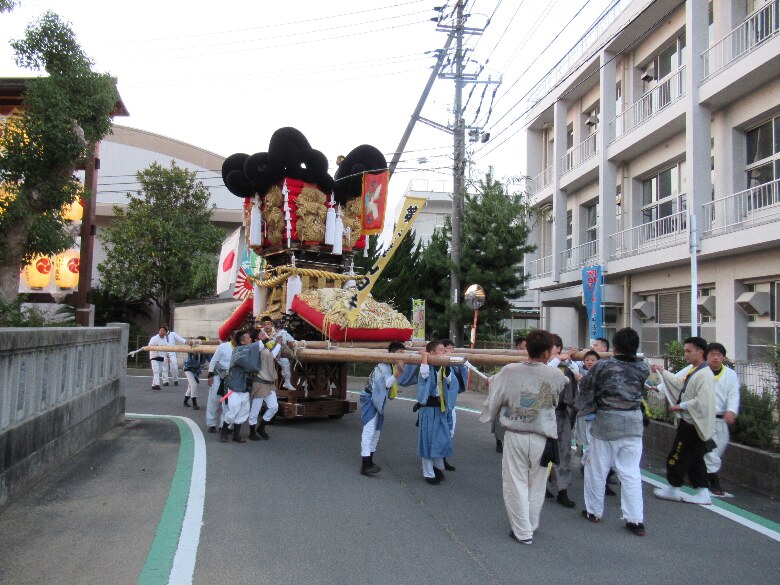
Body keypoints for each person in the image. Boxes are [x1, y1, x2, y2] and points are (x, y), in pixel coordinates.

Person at [481, 329, 565, 545]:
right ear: (547, 352)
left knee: (515, 483)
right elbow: (558, 391)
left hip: (516, 433)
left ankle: (522, 531)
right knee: (537, 484)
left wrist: (489, 409)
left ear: (526, 348)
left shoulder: (510, 370)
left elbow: (497, 392)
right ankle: (530, 525)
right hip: (542, 436)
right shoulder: (556, 375)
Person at [575, 328, 649, 536]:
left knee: (597, 468)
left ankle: (594, 511)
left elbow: (586, 387)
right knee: (631, 473)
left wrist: (581, 407)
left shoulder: (603, 365)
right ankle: (635, 520)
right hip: (633, 423)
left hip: (606, 421)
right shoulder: (643, 368)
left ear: (614, 347)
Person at [651, 337, 716, 505]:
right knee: (695, 459)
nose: (685, 354)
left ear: (700, 352)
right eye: (685, 351)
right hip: (691, 423)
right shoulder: (696, 370)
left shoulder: (704, 374)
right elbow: (679, 384)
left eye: (689, 351)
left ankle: (674, 487)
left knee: (677, 456)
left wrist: (681, 406)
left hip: (692, 425)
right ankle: (703, 492)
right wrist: (663, 372)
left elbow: (703, 400)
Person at [221, 330, 278, 443]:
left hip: (245, 387)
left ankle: (236, 436)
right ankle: (224, 431)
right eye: (248, 338)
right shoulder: (239, 350)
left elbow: (257, 347)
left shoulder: (247, 349)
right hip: (235, 386)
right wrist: (269, 338)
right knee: (234, 409)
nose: (250, 339)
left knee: (244, 411)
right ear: (242, 342)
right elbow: (252, 357)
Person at [359, 341, 406, 476]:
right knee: (369, 430)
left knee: (377, 431)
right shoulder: (383, 365)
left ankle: (370, 461)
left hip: (378, 400)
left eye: (403, 353)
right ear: (391, 353)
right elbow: (387, 383)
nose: (402, 356)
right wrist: (398, 372)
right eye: (400, 353)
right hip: (369, 398)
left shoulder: (390, 365)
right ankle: (365, 464)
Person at [547, 334, 579, 509]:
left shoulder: (568, 365)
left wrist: (568, 361)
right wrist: (559, 359)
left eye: (551, 346)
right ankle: (541, 484)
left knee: (563, 452)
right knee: (540, 451)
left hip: (560, 413)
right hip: (543, 413)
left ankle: (562, 490)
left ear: (559, 348)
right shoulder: (542, 364)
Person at [703, 343, 740, 495]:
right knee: (710, 450)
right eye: (712, 354)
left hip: (721, 419)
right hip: (704, 418)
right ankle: (714, 482)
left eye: (719, 355)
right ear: (706, 356)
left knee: (719, 447)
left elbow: (734, 394)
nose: (716, 358)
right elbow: (679, 379)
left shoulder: (730, 375)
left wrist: (731, 410)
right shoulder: (701, 371)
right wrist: (659, 386)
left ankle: (701, 474)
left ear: (723, 357)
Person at [416, 340, 453, 485]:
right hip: (428, 408)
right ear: (432, 353)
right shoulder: (426, 367)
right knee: (427, 440)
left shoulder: (443, 368)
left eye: (445, 350)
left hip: (440, 408)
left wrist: (447, 363)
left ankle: (438, 468)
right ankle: (428, 472)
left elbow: (449, 381)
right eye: (441, 350)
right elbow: (424, 374)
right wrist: (424, 356)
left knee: (441, 438)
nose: (444, 352)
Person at [246, 328, 282, 441]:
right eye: (261, 335)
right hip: (259, 381)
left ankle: (261, 427)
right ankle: (252, 432)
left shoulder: (264, 348)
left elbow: (271, 356)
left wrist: (278, 344)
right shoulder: (255, 347)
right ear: (256, 339)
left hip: (268, 382)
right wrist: (273, 340)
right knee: (255, 409)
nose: (264, 335)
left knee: (274, 406)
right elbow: (269, 352)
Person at [493, 336, 527, 454]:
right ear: (518, 347)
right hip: (507, 392)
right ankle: (499, 440)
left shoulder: (529, 360)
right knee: (502, 415)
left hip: (522, 393)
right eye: (525, 346)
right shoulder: (510, 359)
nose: (527, 349)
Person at [441, 339, 468, 471]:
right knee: (440, 431)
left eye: (452, 348)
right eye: (448, 348)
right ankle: (437, 459)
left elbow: (461, 380)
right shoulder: (438, 363)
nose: (451, 351)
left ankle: (443, 457)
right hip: (439, 403)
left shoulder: (455, 364)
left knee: (450, 431)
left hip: (450, 403)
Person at [258, 316, 296, 391]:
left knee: (286, 361)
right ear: (262, 326)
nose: (267, 326)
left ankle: (287, 382)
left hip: (279, 352)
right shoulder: (261, 333)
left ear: (271, 324)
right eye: (264, 325)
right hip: (266, 355)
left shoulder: (277, 330)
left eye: (268, 324)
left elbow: (287, 339)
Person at [206, 335, 234, 433]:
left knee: (228, 402)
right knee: (214, 400)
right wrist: (210, 375)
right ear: (232, 337)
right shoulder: (223, 346)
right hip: (218, 376)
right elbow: (214, 360)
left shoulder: (241, 348)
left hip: (231, 379)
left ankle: (224, 425)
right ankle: (211, 424)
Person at [182, 336, 209, 410]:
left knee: (190, 386)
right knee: (194, 385)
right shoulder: (193, 348)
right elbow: (189, 349)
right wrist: (191, 343)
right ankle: (194, 403)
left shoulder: (205, 351)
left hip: (196, 370)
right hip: (188, 368)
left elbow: (211, 359)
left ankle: (185, 401)